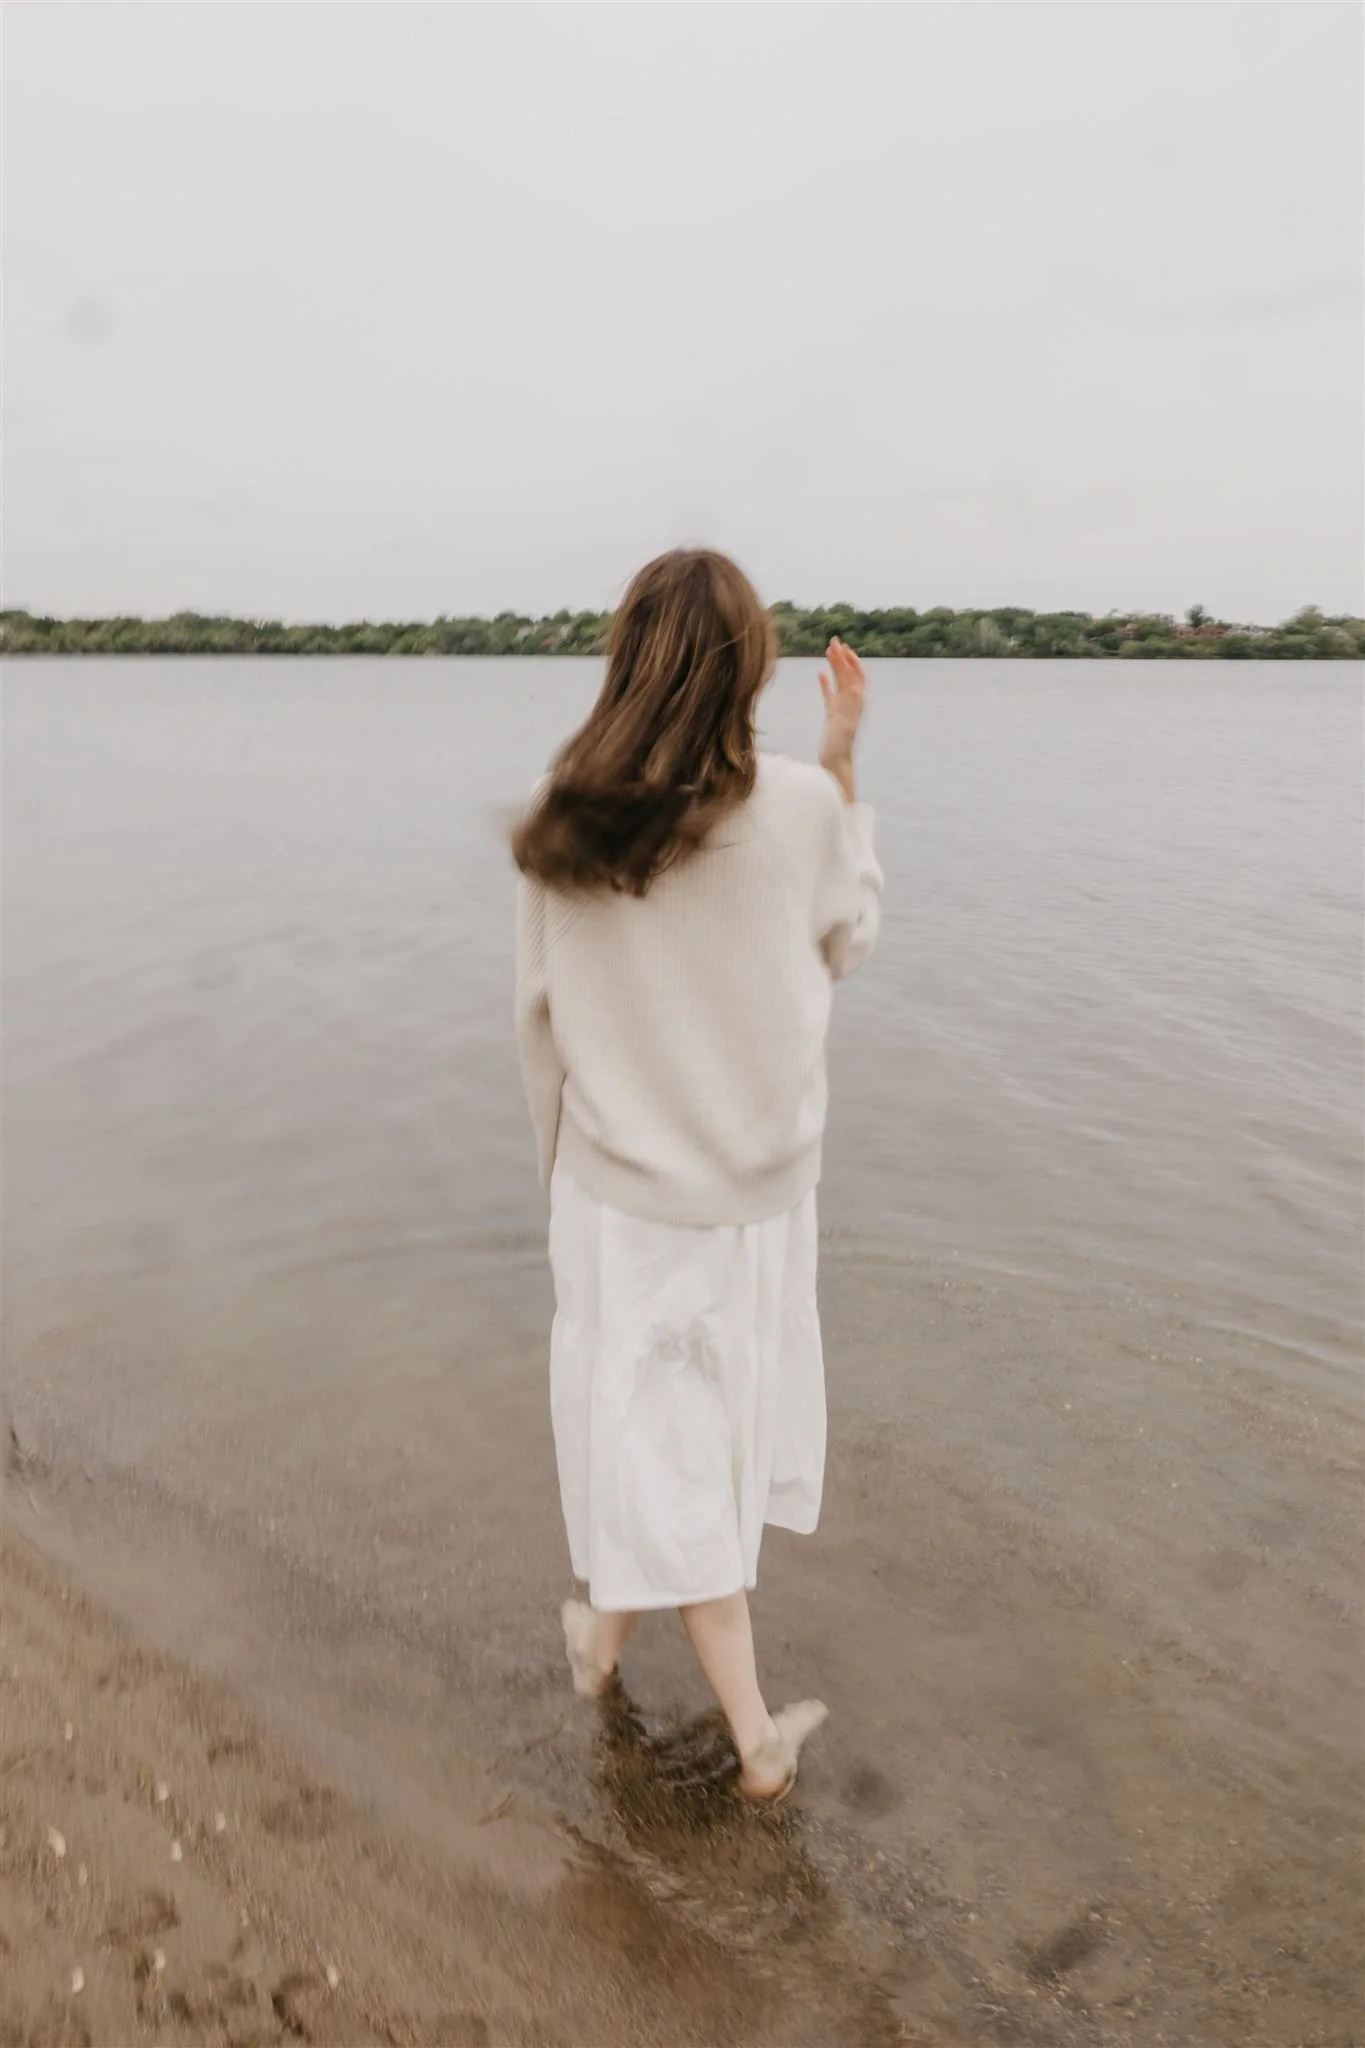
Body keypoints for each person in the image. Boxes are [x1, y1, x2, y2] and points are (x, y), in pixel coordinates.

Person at [512, 548, 881, 1802]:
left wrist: (557, 1171)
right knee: (686, 1450)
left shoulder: (567, 813)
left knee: (653, 1442)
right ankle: (754, 1736)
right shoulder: (792, 808)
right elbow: (849, 937)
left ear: (625, 657)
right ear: (750, 666)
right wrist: (838, 769)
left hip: (620, 1200)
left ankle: (606, 1650)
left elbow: (538, 1021)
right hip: (761, 1201)